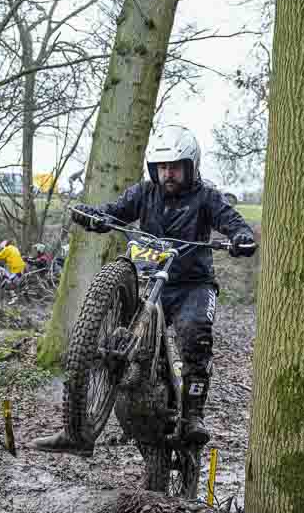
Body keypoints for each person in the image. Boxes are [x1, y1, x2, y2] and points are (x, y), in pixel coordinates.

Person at [40, 125, 256, 451]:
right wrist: (94, 216)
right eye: (163, 168)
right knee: (119, 338)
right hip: (149, 280)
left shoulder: (206, 197)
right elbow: (114, 212)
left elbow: (233, 222)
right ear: (154, 169)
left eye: (176, 167)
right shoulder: (143, 193)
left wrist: (240, 237)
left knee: (195, 332)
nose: (168, 174)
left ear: (191, 167)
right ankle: (79, 427)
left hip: (191, 286)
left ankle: (192, 416)